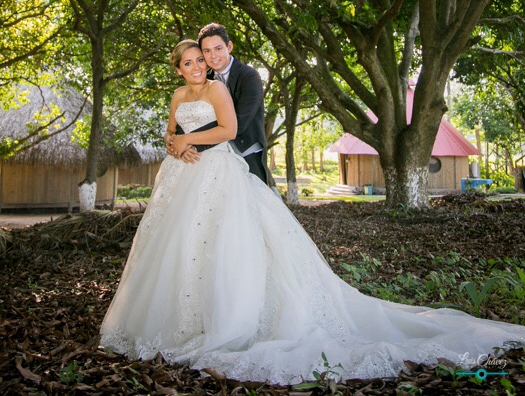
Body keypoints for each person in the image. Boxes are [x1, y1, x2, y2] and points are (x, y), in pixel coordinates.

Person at [100, 39, 525, 386]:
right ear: (179, 68)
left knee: (224, 240)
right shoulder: (179, 93)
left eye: (205, 56)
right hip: (181, 176)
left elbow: (231, 129)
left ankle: (229, 317)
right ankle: (177, 317)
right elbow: (170, 129)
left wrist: (192, 143)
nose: (200, 64)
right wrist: (175, 144)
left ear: (223, 50)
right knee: (179, 245)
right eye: (192, 60)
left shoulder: (224, 86)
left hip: (215, 170)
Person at [166, 22, 269, 184]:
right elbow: (178, 128)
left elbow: (238, 124)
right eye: (207, 51)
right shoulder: (203, 79)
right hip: (212, 155)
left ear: (229, 47)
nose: (213, 56)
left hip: (246, 151)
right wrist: (179, 144)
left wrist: (189, 141)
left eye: (218, 49)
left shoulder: (249, 76)